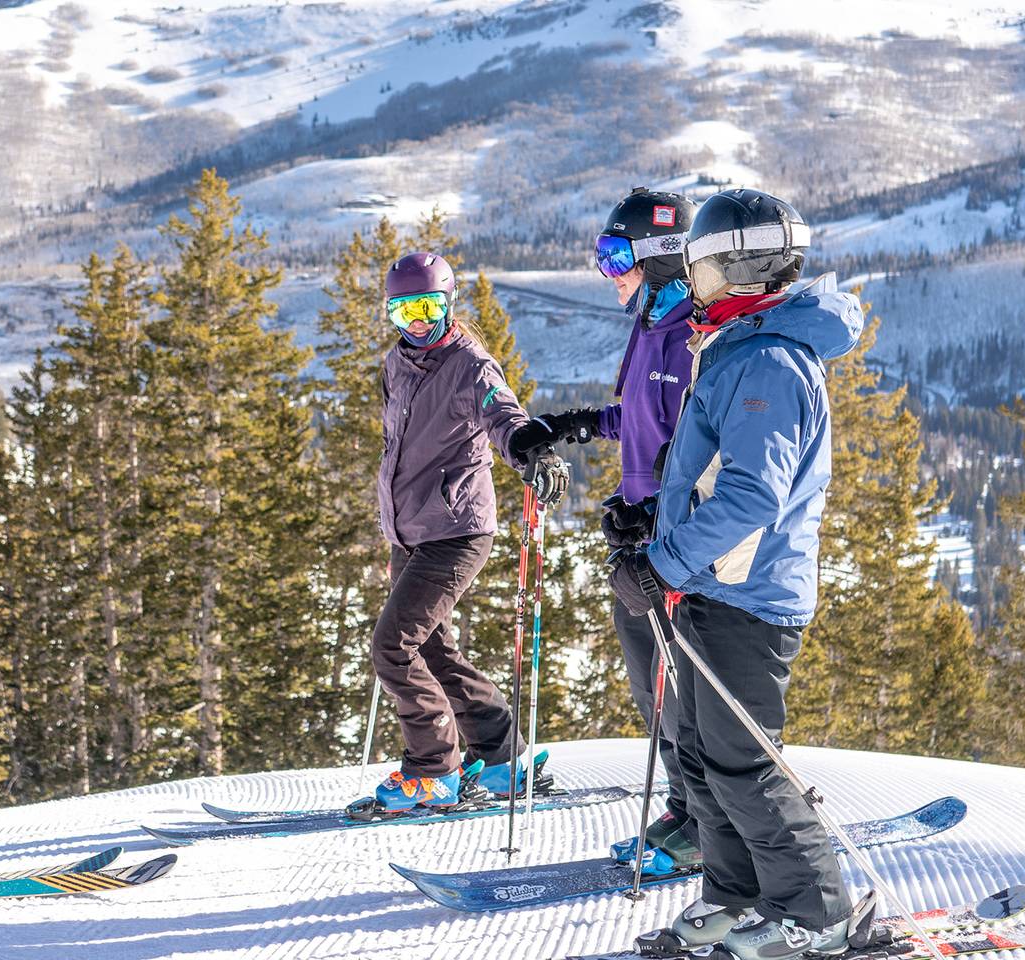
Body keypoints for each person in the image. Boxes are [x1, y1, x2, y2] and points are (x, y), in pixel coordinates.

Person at [609, 189, 864, 960]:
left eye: (706, 262)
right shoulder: (733, 345)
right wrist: (653, 525)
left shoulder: (769, 360)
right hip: (710, 586)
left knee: (744, 761)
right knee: (697, 754)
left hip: (749, 598)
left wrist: (663, 561)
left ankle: (816, 915)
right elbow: (713, 475)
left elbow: (757, 493)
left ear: (740, 266)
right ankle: (733, 896)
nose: (695, 275)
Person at [523, 187, 702, 867]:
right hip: (636, 540)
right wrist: (574, 424)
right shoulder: (649, 325)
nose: (608, 272)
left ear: (660, 256)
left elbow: (697, 443)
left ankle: (707, 823)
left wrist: (658, 506)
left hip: (676, 545)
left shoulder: (693, 334)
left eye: (615, 255)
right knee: (649, 685)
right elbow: (637, 417)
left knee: (682, 689)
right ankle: (686, 808)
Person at [367, 250, 570, 813]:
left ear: (448, 304)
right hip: (409, 531)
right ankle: (505, 756)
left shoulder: (470, 365)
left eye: (427, 308)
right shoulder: (396, 364)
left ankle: (433, 770)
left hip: (456, 530)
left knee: (392, 647)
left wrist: (529, 452)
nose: (416, 322)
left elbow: (504, 417)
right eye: (403, 311)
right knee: (431, 649)